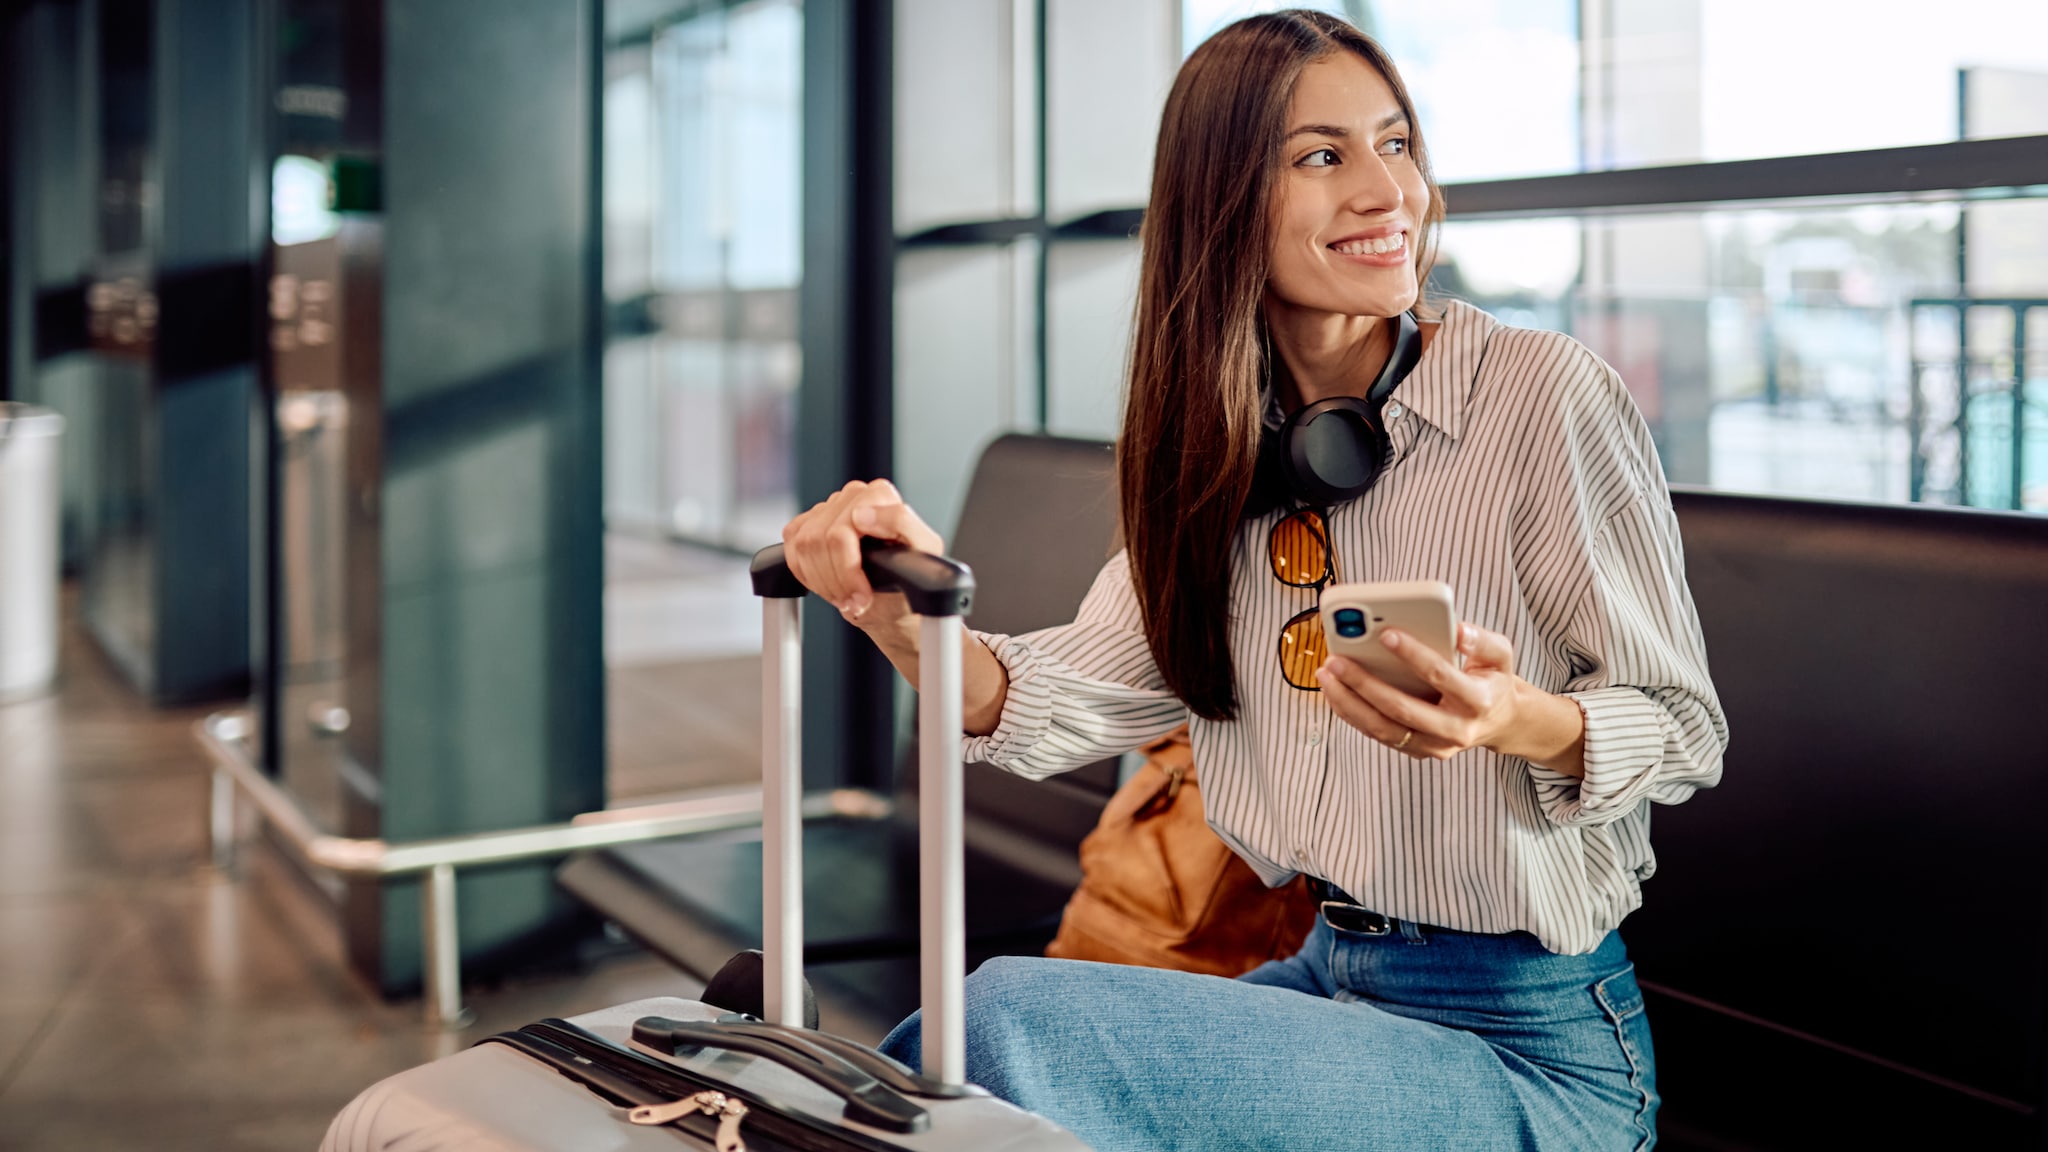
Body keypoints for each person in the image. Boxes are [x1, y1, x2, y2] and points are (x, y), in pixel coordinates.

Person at [779, 10, 1725, 1150]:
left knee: (1006, 1028)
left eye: (1395, 143)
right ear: (1224, 200)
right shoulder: (1229, 450)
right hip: (1327, 979)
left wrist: (1513, 720)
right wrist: (892, 610)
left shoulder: (1540, 397)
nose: (1387, 192)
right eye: (1322, 157)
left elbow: (1681, 729)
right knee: (955, 1066)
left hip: (1530, 1046)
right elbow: (1047, 699)